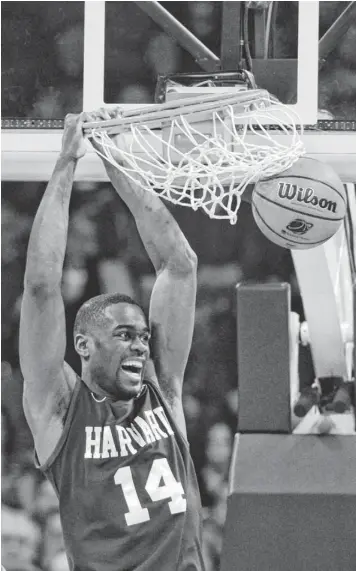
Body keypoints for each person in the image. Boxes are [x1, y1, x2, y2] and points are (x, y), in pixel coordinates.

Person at [19, 111, 205, 571]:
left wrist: (117, 160)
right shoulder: (61, 409)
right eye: (124, 335)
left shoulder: (162, 389)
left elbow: (180, 265)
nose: (141, 345)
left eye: (143, 336)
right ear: (83, 345)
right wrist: (67, 164)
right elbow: (42, 288)